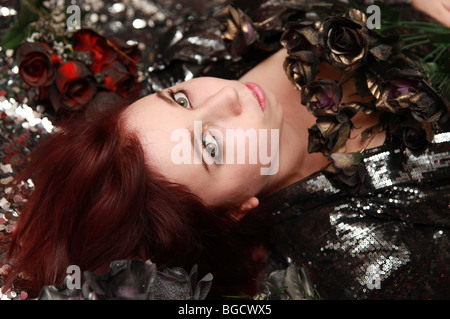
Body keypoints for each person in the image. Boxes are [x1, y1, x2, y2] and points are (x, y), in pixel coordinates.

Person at [2, 0, 450, 299]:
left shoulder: (203, 50)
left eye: (180, 98)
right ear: (235, 210)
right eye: (211, 146)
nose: (228, 97)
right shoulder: (371, 252)